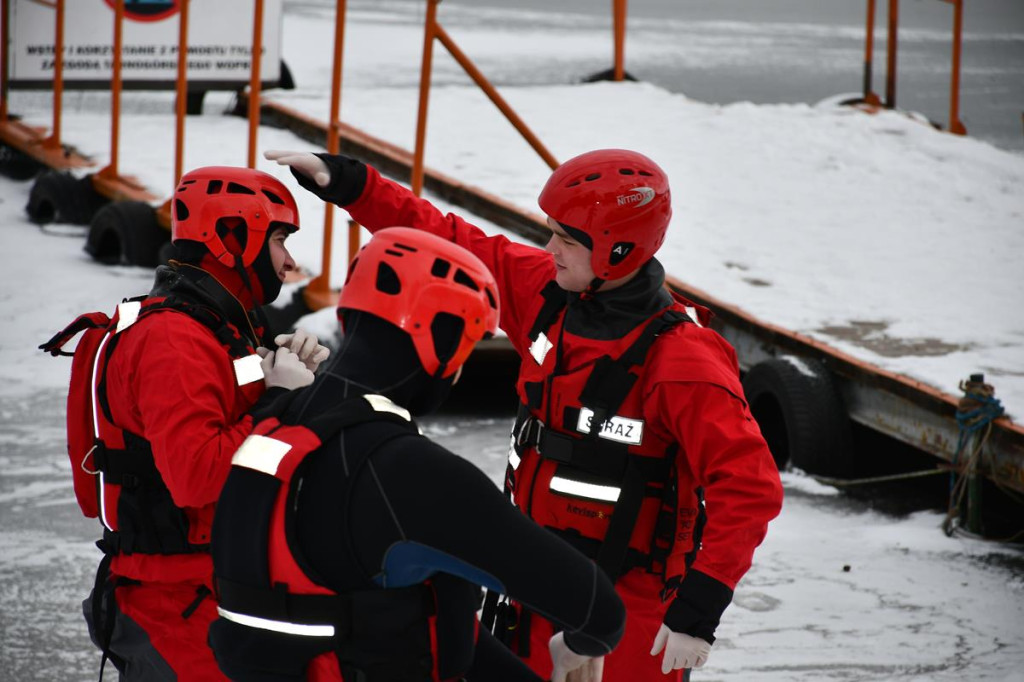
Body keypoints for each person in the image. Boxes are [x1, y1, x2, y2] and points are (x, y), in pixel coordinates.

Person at [265, 147, 785, 680]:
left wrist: (695, 614)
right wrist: (353, 186)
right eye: (552, 231)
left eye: (566, 239)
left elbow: (749, 488)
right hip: (530, 591)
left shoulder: (681, 360)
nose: (550, 248)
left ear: (618, 250)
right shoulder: (548, 295)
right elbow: (451, 243)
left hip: (629, 623)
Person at [207, 227, 626, 682]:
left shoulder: (273, 426)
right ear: (440, 343)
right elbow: (596, 611)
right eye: (465, 347)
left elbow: (418, 615)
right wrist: (577, 645)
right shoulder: (406, 471)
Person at [41, 166, 330, 680]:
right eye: (280, 239)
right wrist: (278, 402)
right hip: (176, 603)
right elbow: (195, 475)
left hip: (214, 587)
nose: (289, 262)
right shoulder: (174, 340)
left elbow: (225, 407)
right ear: (232, 240)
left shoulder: (217, 330)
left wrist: (274, 371)